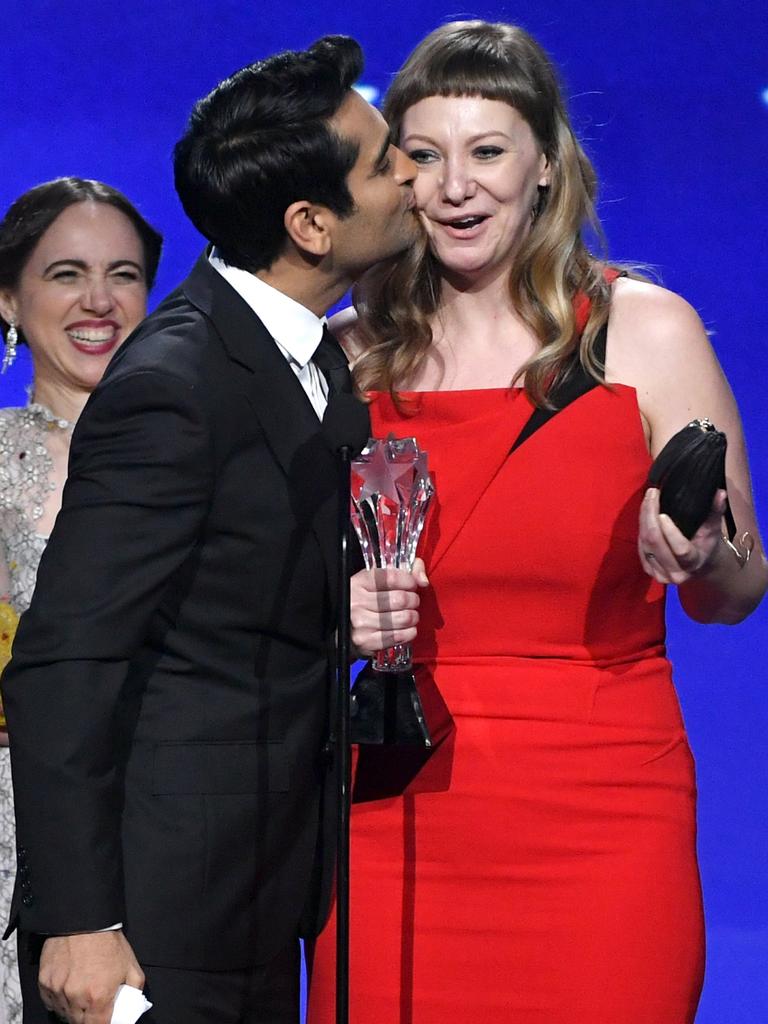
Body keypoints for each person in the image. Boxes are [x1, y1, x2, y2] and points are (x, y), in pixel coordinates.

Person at [306, 20, 768, 1024]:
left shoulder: (645, 329)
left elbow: (735, 592)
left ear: (546, 168)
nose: (456, 185)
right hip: (398, 816)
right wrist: (333, 608)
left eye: (487, 152)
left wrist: (699, 555)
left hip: (602, 823)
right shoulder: (348, 356)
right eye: (423, 157)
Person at [1, 36, 419, 1024]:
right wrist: (78, 917)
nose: (413, 177)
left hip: (255, 895)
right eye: (385, 161)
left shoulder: (303, 367)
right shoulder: (175, 385)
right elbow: (66, 657)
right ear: (312, 224)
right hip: (151, 914)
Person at [0, 176, 162, 1024]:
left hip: (163, 829)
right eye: (66, 274)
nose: (100, 300)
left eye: (125, 275)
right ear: (8, 300)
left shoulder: (195, 467)